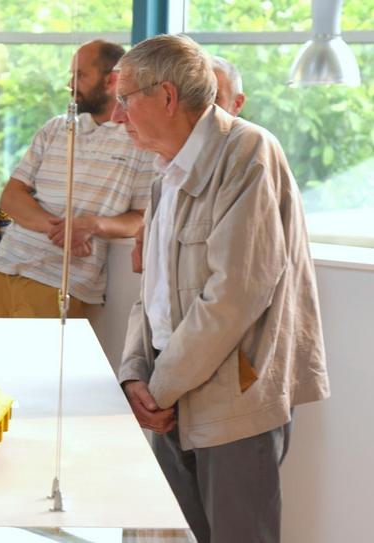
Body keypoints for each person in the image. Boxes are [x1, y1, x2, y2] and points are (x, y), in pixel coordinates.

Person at [112, 34, 330, 543]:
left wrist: (157, 390)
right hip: (170, 386)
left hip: (229, 396)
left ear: (166, 97)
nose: (118, 116)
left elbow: (233, 296)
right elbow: (155, 293)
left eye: (126, 99)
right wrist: (133, 376)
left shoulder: (248, 151)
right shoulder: (165, 167)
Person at [0, 39, 156, 318]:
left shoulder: (140, 140)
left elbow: (141, 218)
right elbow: (11, 197)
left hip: (59, 284)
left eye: (80, 75)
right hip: (1, 268)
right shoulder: (55, 128)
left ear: (112, 80)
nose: (70, 84)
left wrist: (92, 225)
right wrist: (64, 231)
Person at [130, 54, 245, 274]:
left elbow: (236, 284)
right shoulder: (167, 168)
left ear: (237, 103)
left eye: (215, 99)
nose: (202, 111)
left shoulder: (246, 157)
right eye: (195, 99)